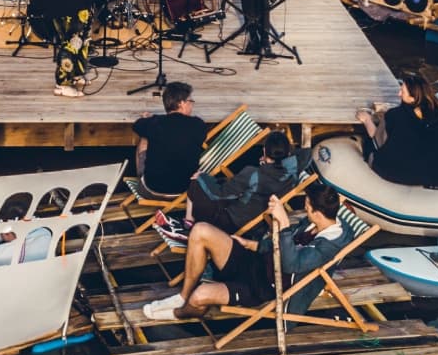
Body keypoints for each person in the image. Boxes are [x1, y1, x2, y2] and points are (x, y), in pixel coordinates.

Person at [141, 181, 351, 322]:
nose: (304, 209)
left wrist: (285, 223)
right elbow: (277, 243)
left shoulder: (328, 247)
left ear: (317, 212)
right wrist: (253, 245)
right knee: (200, 230)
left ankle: (179, 313)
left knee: (199, 297)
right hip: (255, 261)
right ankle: (182, 296)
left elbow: (290, 264)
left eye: (307, 207)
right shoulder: (314, 222)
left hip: (262, 286)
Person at [157, 132, 306, 242]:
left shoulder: (253, 174)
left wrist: (203, 177)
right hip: (255, 224)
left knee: (197, 183)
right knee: (221, 182)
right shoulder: (292, 174)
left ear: (264, 151)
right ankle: (189, 222)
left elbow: (220, 194)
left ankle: (188, 223)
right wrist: (269, 163)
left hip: (230, 222)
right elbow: (306, 153)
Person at [357, 71, 438, 190]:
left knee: (368, 143)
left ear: (413, 98)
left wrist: (367, 119)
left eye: (402, 92)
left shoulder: (394, 115)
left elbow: (375, 138)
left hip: (394, 173)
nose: (399, 94)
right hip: (424, 175)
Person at [133, 81, 208, 196]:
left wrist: (149, 119)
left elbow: (137, 126)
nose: (192, 104)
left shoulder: (155, 123)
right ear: (182, 103)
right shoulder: (198, 125)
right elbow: (181, 133)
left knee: (145, 138)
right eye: (190, 101)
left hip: (152, 189)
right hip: (185, 190)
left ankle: (140, 178)